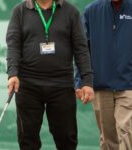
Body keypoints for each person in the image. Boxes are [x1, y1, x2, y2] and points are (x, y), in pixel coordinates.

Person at [6, 0, 94, 149]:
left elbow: (81, 49)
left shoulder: (70, 11)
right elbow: (13, 45)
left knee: (66, 138)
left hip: (62, 84)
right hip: (28, 84)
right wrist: (12, 73)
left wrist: (87, 81)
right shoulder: (19, 11)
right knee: (27, 138)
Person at [75, 0, 132, 149]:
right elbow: (82, 50)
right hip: (100, 83)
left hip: (129, 84)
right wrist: (81, 81)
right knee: (107, 137)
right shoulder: (91, 11)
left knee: (125, 129)